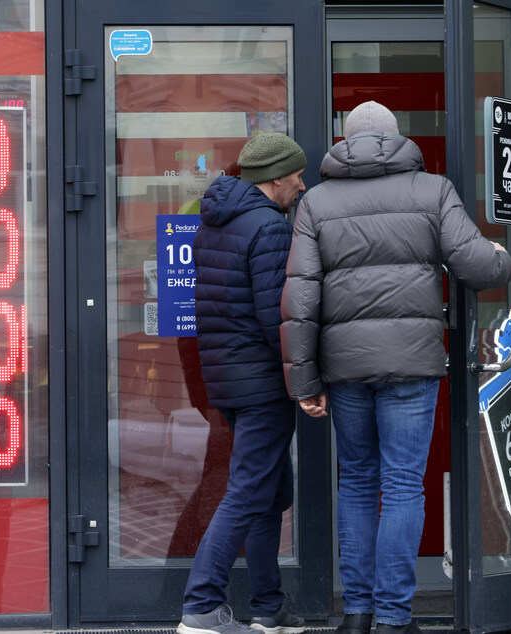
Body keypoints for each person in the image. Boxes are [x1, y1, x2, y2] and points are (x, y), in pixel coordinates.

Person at [280, 101, 511, 634]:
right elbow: (477, 265)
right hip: (411, 363)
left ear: (345, 141)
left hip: (345, 368)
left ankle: (358, 614)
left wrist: (304, 382)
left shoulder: (315, 203)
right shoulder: (431, 190)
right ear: (395, 138)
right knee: (405, 484)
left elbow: (299, 298)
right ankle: (393, 617)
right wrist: (506, 256)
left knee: (358, 482)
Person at [177, 132, 308, 634]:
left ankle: (268, 607)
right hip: (261, 384)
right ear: (275, 177)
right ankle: (202, 605)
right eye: (295, 173)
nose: (301, 182)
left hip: (228, 380)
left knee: (270, 491)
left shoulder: (216, 222)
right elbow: (275, 317)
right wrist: (304, 379)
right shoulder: (269, 228)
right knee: (249, 490)